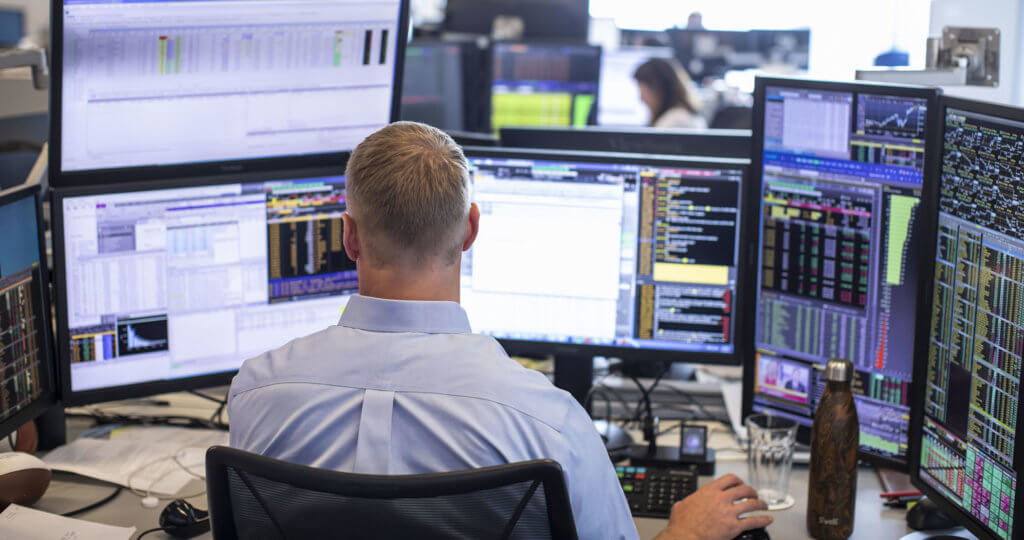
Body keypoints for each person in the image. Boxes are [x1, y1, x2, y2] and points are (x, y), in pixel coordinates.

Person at [227, 122, 772, 540]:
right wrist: (684, 531)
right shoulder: (549, 425)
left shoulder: (255, 392)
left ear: (348, 236)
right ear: (470, 230)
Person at [634, 58, 707, 129]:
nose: (641, 98)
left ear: (658, 89)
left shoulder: (675, 120)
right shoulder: (682, 114)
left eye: (643, 91)